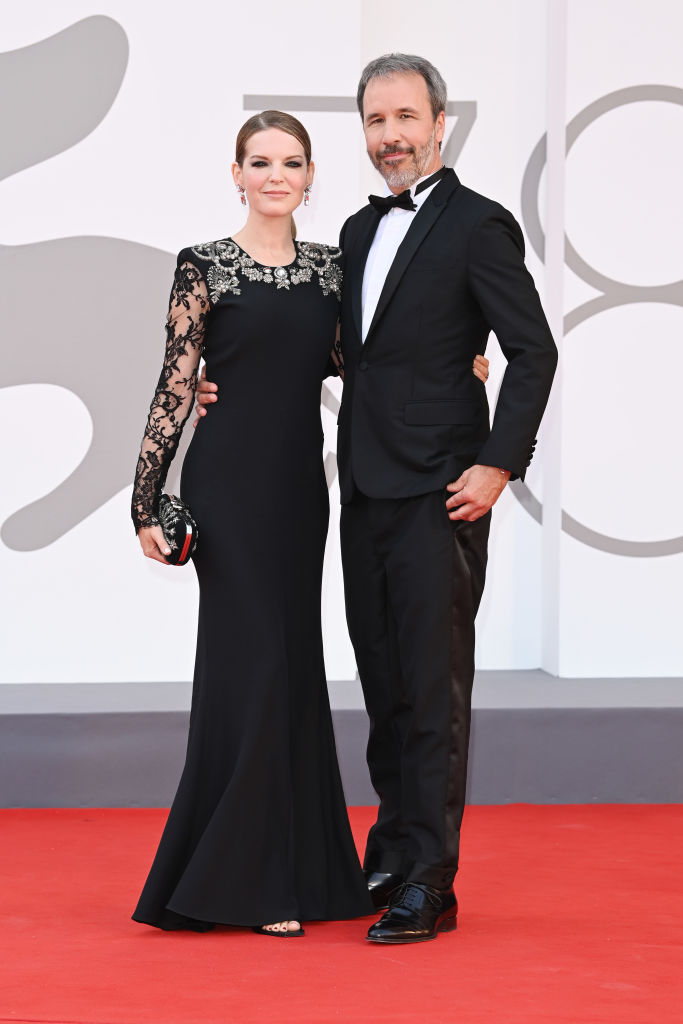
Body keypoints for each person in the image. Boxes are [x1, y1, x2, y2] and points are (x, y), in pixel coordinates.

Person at [196, 55, 558, 945]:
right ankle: (393, 850)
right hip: (358, 488)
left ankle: (429, 880)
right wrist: (223, 382)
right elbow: (333, 349)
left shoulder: (480, 225)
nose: (390, 135)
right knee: (387, 683)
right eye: (374, 120)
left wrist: (496, 464)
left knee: (433, 688)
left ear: (440, 123)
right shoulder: (354, 234)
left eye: (405, 116)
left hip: (442, 493)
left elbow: (531, 351)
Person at [132, 105, 491, 937]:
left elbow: (365, 359)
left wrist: (456, 364)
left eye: (290, 163)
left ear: (308, 176)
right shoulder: (205, 267)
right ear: (236, 174)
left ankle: (293, 869)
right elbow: (174, 386)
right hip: (227, 491)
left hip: (300, 491)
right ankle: (251, 885)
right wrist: (145, 499)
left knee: (292, 670)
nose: (274, 177)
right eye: (258, 162)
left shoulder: (332, 271)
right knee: (251, 669)